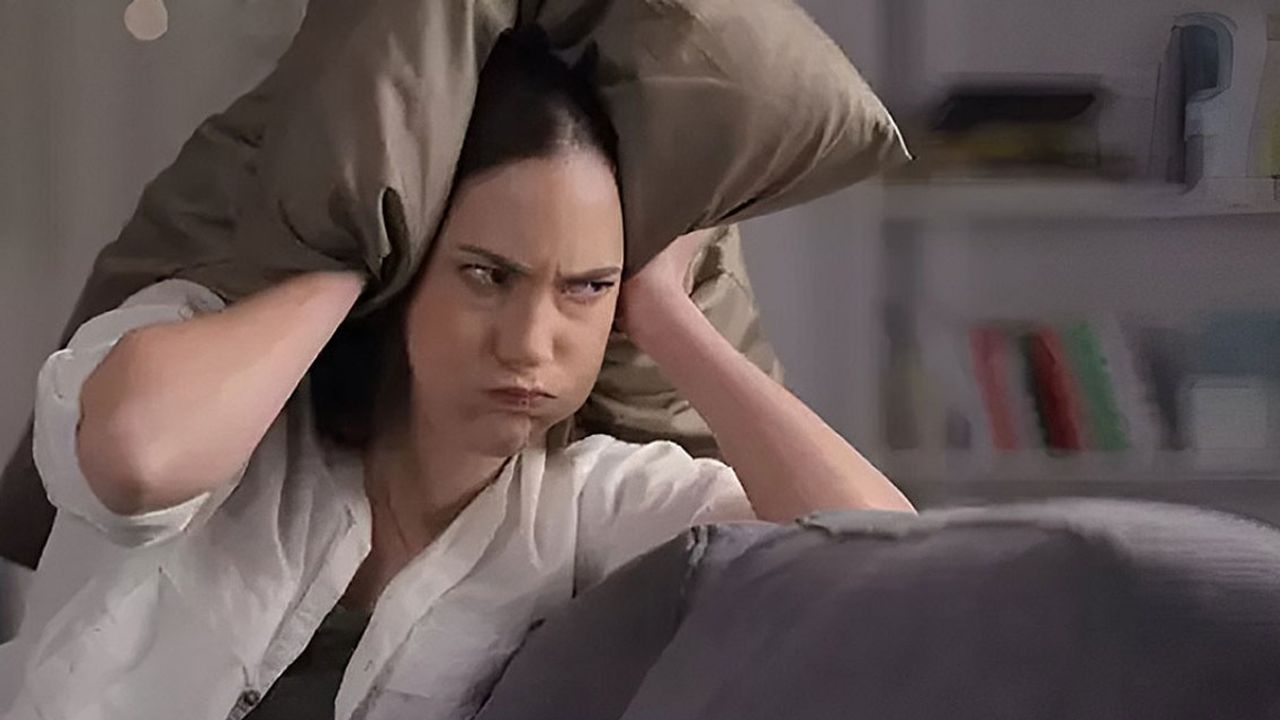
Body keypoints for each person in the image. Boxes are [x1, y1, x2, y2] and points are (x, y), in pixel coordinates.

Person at [5, 28, 912, 720]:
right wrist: (354, 254)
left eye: (584, 288)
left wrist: (667, 314)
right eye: (488, 276)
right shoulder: (204, 354)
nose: (530, 343)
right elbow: (137, 459)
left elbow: (879, 567)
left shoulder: (583, 503)